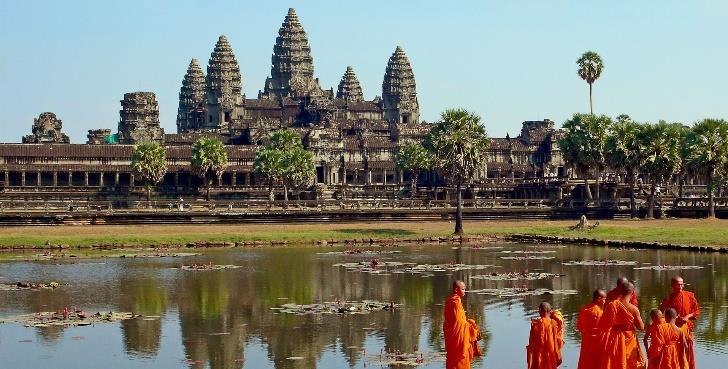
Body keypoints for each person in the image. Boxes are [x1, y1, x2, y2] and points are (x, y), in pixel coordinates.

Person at [597, 283, 645, 369]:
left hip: (614, 337)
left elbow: (602, 326)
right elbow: (641, 327)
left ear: (620, 292)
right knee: (630, 361)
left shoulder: (612, 305)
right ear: (633, 292)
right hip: (629, 338)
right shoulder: (633, 309)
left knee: (615, 362)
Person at [659, 276, 699, 369]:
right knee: (674, 350)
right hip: (673, 328)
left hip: (686, 326)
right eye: (678, 285)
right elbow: (661, 312)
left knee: (687, 350)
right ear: (672, 285)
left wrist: (687, 317)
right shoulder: (669, 298)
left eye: (682, 284)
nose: (681, 286)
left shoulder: (690, 295)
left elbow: (696, 311)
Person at [444, 280, 482, 369]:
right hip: (458, 339)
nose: (465, 291)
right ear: (456, 290)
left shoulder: (449, 301)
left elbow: (453, 322)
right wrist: (473, 328)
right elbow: (459, 323)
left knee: (452, 360)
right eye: (463, 289)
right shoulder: (455, 303)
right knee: (460, 360)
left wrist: (468, 323)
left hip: (452, 337)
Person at [527, 302, 564, 369]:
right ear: (550, 311)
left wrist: (530, 360)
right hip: (550, 355)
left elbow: (531, 344)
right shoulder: (553, 323)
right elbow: (555, 342)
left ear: (540, 311)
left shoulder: (535, 324)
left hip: (539, 356)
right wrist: (558, 356)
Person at [577, 289, 606, 369]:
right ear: (599, 299)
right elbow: (606, 328)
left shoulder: (584, 310)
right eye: (604, 299)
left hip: (587, 343)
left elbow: (579, 327)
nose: (605, 302)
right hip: (599, 344)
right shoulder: (601, 313)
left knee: (586, 364)